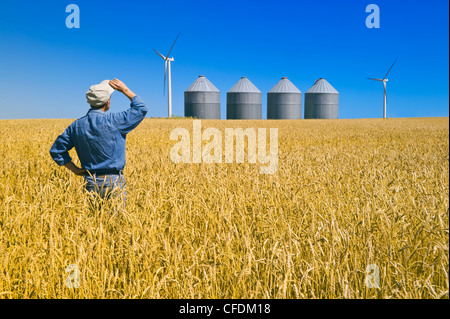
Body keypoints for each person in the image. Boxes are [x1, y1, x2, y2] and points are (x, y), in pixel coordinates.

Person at [50, 79, 148, 199]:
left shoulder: (76, 126)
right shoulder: (115, 121)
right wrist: (125, 90)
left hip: (90, 181)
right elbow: (141, 108)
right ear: (108, 101)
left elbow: (56, 151)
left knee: (94, 217)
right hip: (114, 182)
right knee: (116, 218)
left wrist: (75, 170)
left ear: (90, 102)